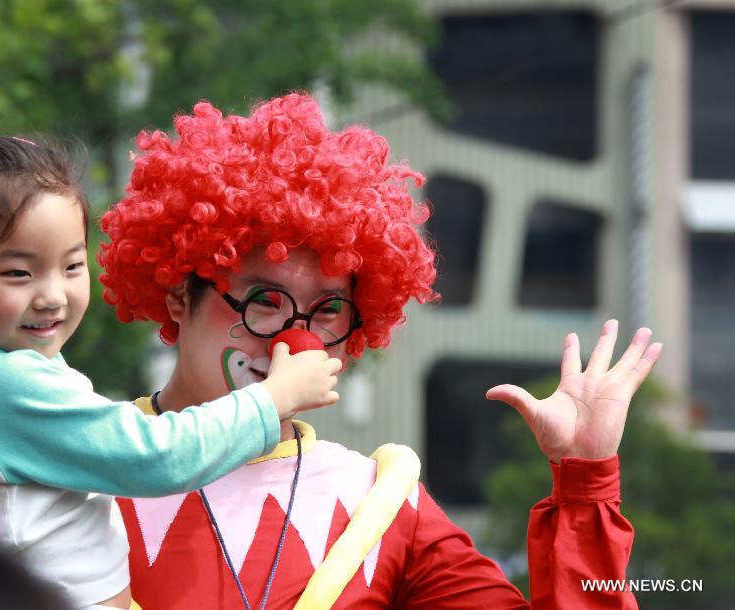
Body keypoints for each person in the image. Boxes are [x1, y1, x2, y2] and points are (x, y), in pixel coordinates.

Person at [99, 94, 663, 609]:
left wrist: (585, 484)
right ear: (179, 296)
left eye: (326, 313)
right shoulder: (83, 470)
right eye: (263, 301)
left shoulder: (381, 506)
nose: (295, 343)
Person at [0, 136, 342, 610]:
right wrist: (274, 398)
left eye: (71, 266)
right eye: (18, 274)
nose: (52, 296)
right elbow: (157, 456)